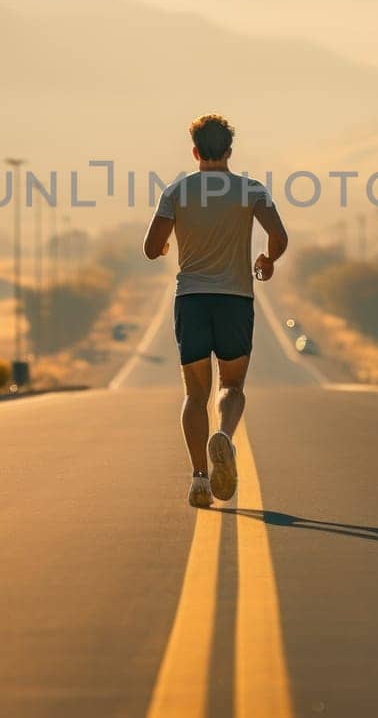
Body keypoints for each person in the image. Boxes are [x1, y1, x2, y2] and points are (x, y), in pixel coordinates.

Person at [143, 113, 289, 508]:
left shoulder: (176, 192)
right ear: (228, 151)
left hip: (191, 300)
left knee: (195, 394)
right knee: (232, 386)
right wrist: (268, 259)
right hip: (235, 300)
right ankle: (223, 432)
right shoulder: (252, 190)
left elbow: (151, 247)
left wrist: (168, 246)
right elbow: (279, 236)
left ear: (194, 152)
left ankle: (198, 480)